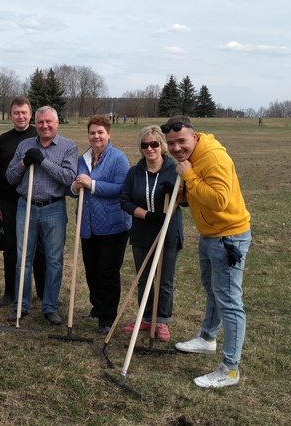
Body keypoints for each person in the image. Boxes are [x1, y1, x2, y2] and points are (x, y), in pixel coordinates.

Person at [162, 115, 252, 388]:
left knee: (229, 302)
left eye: (181, 141)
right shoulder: (193, 157)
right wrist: (186, 195)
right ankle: (207, 338)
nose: (176, 148)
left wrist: (188, 175)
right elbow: (203, 192)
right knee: (212, 290)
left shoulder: (213, 158)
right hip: (210, 233)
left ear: (194, 136)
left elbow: (219, 200)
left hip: (228, 237)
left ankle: (230, 370)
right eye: (171, 144)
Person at [5, 106, 77, 325]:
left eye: (49, 122)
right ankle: (21, 305)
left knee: (54, 260)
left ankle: (50, 306)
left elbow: (69, 177)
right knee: (23, 259)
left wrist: (43, 161)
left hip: (54, 208)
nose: (45, 126)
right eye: (40, 122)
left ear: (56, 123)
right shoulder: (24, 145)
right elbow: (10, 177)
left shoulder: (68, 147)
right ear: (35, 123)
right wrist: (24, 162)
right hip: (26, 206)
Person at [119, 126, 183, 342]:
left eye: (154, 144)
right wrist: (147, 215)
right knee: (144, 278)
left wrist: (178, 193)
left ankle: (161, 320)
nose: (149, 148)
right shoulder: (134, 172)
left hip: (168, 232)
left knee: (164, 280)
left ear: (162, 146)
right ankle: (146, 318)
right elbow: (125, 201)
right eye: (145, 145)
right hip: (142, 232)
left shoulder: (175, 170)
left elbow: (188, 199)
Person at [68, 115, 131, 334]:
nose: (96, 136)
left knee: (108, 272)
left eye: (100, 132)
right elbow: (73, 188)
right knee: (92, 271)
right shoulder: (82, 159)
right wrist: (75, 188)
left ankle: (108, 317)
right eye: (92, 132)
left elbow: (121, 189)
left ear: (109, 134)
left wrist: (92, 184)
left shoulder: (118, 158)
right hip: (88, 225)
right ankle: (97, 307)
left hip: (114, 226)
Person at [0, 97, 47, 308]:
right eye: (16, 113)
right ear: (10, 115)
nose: (20, 116)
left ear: (30, 114)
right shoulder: (4, 139)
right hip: (10, 202)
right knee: (11, 247)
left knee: (39, 249)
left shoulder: (38, 136)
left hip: (34, 200)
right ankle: (11, 291)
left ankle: (43, 291)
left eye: (24, 112)